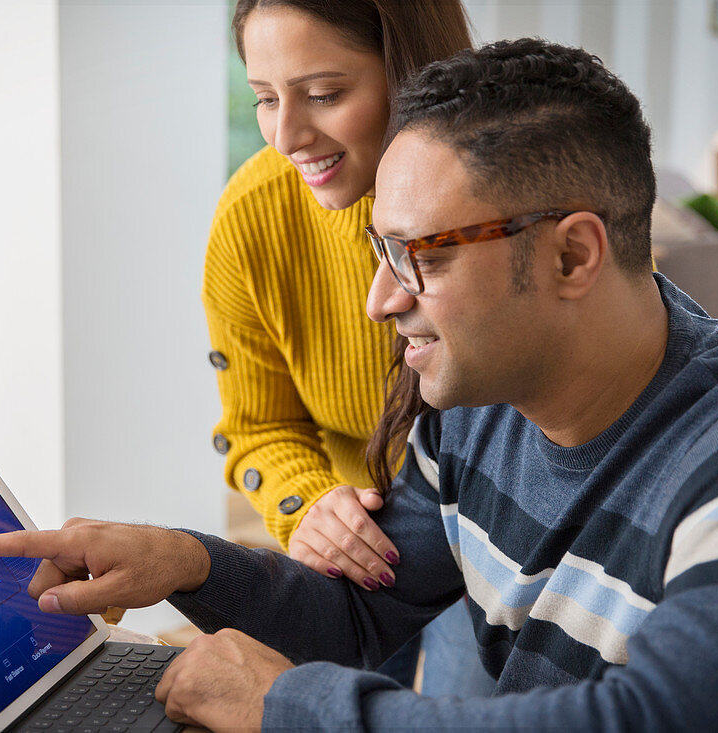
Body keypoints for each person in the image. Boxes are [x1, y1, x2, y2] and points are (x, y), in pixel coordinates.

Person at [0, 40, 718, 730]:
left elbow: (664, 720)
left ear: (574, 253)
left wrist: (291, 708)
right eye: (384, 250)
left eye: (428, 256)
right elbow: (358, 618)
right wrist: (185, 561)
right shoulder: (475, 412)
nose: (383, 300)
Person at [204, 0, 485, 693]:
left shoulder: (507, 196)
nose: (286, 136)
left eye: (324, 94)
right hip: (360, 543)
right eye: (265, 99)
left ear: (409, 71)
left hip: (491, 534)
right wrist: (313, 508)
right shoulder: (253, 217)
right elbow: (258, 427)